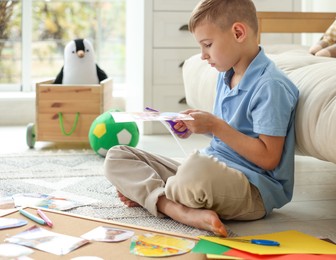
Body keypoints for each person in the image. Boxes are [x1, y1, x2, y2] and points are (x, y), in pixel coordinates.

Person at [104, 0, 299, 237]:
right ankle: (176, 208)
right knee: (117, 156)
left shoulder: (271, 86)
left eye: (207, 45)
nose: (203, 56)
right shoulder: (226, 75)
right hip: (212, 169)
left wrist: (215, 126)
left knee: (194, 171)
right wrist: (198, 127)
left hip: (252, 188)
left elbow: (268, 158)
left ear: (238, 32)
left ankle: (154, 197)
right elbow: (231, 132)